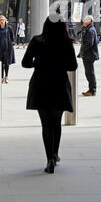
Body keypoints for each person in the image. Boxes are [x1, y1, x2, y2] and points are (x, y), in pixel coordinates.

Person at [22, 15, 77, 174]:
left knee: (46, 124)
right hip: (59, 84)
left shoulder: (37, 40)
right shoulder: (66, 42)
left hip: (41, 84)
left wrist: (38, 64)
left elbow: (25, 63)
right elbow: (73, 66)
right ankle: (55, 153)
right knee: (56, 122)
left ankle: (49, 160)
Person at [0, 15, 15, 83]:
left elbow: (12, 37)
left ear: (5, 20)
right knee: (0, 63)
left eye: (3, 20)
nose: (2, 21)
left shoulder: (9, 28)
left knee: (6, 63)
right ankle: (1, 77)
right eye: (0, 20)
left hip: (7, 48)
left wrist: (12, 43)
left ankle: (6, 77)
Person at [79, 15, 99, 96]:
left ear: (90, 21)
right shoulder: (89, 29)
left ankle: (92, 90)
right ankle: (92, 89)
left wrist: (83, 49)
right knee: (89, 72)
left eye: (85, 20)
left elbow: (89, 43)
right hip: (89, 54)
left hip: (89, 55)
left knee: (89, 73)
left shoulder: (90, 30)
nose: (83, 21)